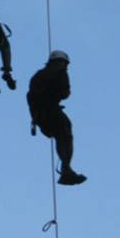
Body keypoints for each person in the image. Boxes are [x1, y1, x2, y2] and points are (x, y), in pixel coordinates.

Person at [27, 50, 86, 186]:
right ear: (58, 62)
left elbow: (31, 97)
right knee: (65, 133)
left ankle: (66, 168)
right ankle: (66, 168)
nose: (65, 67)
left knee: (61, 135)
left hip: (40, 116)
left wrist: (36, 117)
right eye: (64, 63)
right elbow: (65, 93)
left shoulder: (37, 76)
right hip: (50, 111)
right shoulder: (60, 73)